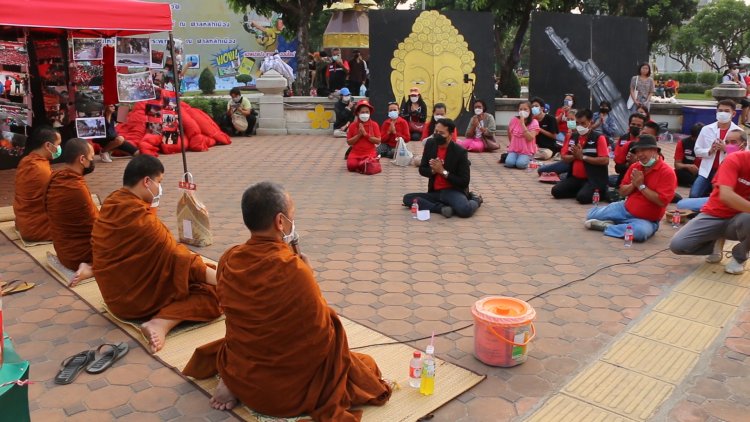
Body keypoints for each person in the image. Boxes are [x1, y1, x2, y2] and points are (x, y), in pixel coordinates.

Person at [181, 182, 392, 417]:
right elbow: (322, 335)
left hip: (244, 367)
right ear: (280, 222)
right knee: (365, 367)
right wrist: (308, 276)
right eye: (292, 216)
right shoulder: (295, 269)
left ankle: (235, 381)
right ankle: (240, 382)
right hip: (286, 394)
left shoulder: (230, 257)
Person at [92, 155, 222, 353]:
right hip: (137, 302)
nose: (160, 188)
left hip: (114, 297)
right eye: (159, 182)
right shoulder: (143, 221)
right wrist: (226, 281)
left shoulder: (112, 202)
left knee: (194, 273)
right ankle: (161, 323)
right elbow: (181, 259)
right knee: (213, 294)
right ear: (146, 181)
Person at [670, 148, 750, 274]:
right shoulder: (735, 159)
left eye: (733, 142)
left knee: (747, 219)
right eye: (728, 142)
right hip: (715, 213)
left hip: (741, 218)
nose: (729, 145)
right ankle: (715, 243)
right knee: (678, 245)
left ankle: (740, 257)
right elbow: (725, 195)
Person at [585, 135, 676, 242]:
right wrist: (634, 184)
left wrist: (641, 186)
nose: (640, 154)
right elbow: (622, 192)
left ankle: (608, 227)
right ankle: (620, 224)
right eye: (637, 151)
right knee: (590, 215)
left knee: (639, 233)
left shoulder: (667, 172)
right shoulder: (635, 167)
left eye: (643, 150)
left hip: (646, 219)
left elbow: (662, 201)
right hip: (624, 208)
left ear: (654, 150)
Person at [402, 118, 483, 218]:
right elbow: (422, 169)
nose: (437, 135)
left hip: (453, 191)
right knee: (408, 199)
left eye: (441, 133)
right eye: (436, 131)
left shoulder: (460, 152)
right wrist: (432, 170)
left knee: (464, 210)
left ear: (450, 135)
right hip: (435, 193)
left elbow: (464, 181)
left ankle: (475, 199)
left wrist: (443, 171)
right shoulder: (430, 144)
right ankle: (442, 209)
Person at [45, 138, 98, 286]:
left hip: (63, 252)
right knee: (129, 248)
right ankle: (92, 268)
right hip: (80, 256)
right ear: (82, 159)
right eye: (91, 157)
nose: (92, 161)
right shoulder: (76, 187)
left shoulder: (55, 176)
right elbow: (96, 226)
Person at [551, 109, 610, 204]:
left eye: (583, 123)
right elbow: (564, 157)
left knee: (582, 198)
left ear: (590, 122)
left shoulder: (599, 138)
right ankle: (582, 191)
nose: (580, 126)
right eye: (577, 123)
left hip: (593, 179)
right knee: (556, 191)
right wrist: (575, 156)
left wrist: (583, 157)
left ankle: (600, 191)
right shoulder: (573, 136)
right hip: (575, 178)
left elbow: (605, 160)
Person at [13, 126, 61, 242]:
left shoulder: (25, 161)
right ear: (48, 146)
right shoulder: (40, 169)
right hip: (37, 229)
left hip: (23, 222)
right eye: (58, 144)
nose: (59, 148)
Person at [690, 100, 742, 198]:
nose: (723, 113)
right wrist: (709, 151)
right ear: (716, 112)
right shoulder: (706, 129)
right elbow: (697, 150)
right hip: (707, 170)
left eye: (727, 111)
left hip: (726, 171)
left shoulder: (738, 132)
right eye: (720, 110)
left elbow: (744, 154)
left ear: (733, 113)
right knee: (694, 194)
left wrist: (726, 149)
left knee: (720, 196)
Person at [345, 100, 381, 173]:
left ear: (370, 113)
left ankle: (365, 164)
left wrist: (365, 134)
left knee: (368, 165)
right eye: (362, 112)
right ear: (358, 113)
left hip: (369, 153)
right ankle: (362, 166)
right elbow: (349, 142)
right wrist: (359, 135)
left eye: (367, 112)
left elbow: (378, 141)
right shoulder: (353, 125)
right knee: (351, 166)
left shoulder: (374, 125)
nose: (365, 114)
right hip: (355, 153)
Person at [611, 113, 646, 187]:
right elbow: (618, 165)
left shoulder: (646, 140)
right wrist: (628, 164)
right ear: (629, 124)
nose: (635, 127)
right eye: (633, 124)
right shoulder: (623, 138)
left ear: (643, 127)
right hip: (624, 171)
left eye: (638, 125)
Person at [504, 101, 540, 169]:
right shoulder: (514, 120)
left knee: (520, 165)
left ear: (530, 111)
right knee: (509, 163)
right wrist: (511, 144)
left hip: (526, 151)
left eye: (525, 109)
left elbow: (530, 138)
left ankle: (529, 160)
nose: (522, 111)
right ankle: (514, 158)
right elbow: (509, 131)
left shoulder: (534, 122)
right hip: (514, 149)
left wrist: (522, 124)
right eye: (520, 109)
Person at [674, 123, 704, 188]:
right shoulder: (683, 143)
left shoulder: (710, 143)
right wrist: (688, 166)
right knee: (676, 173)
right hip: (688, 173)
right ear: (692, 137)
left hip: (704, 173)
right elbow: (677, 165)